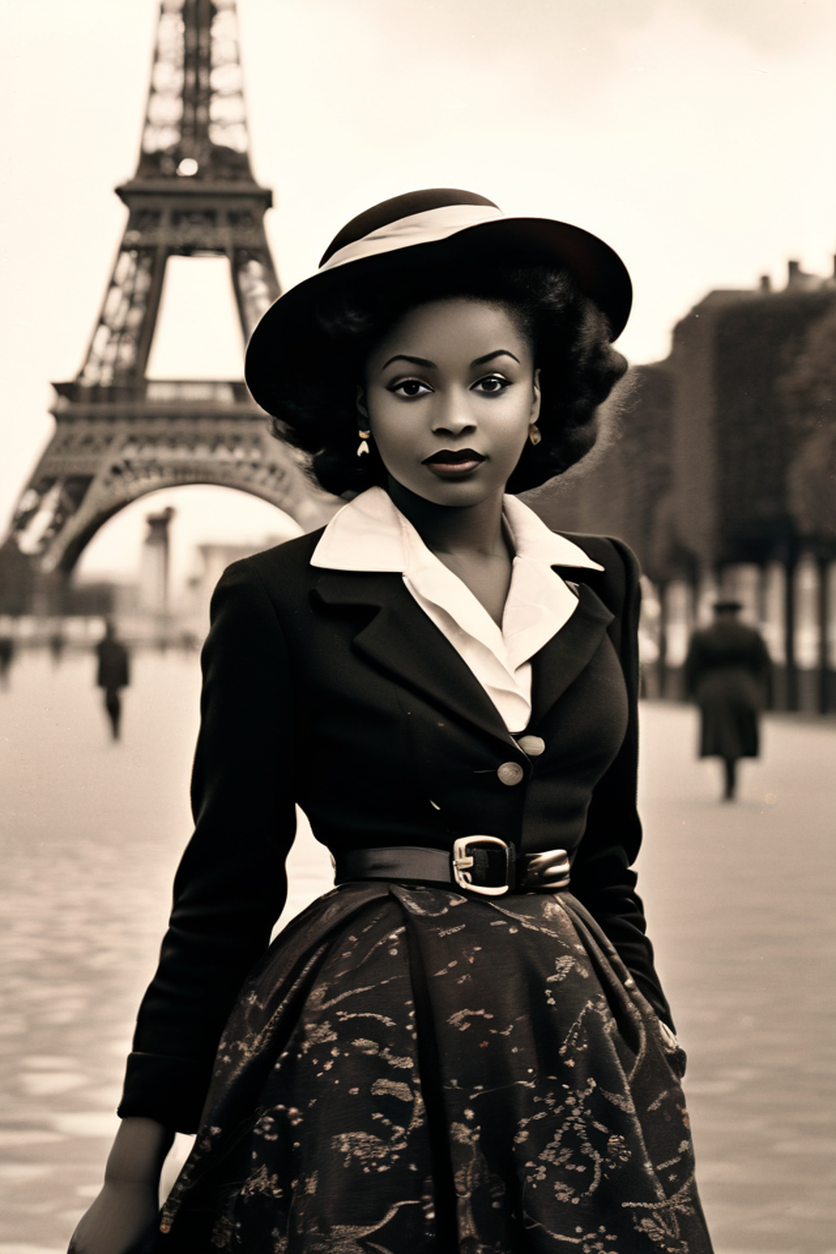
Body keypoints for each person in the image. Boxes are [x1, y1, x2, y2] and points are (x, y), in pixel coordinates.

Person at [70, 189, 713, 1253]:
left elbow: (607, 855)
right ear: (357, 408)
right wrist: (130, 1168)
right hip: (367, 1033)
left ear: (540, 396)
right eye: (410, 385)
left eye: (490, 381)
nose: (453, 416)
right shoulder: (277, 598)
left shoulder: (601, 581)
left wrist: (651, 1030)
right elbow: (225, 887)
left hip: (576, 1032)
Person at [685, 599, 772, 800]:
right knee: (739, 732)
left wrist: (693, 693)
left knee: (723, 734)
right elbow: (763, 665)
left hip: (713, 688)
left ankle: (728, 781)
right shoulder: (750, 633)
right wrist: (757, 690)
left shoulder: (703, 634)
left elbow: (692, 668)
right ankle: (733, 778)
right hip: (743, 686)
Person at [95, 619, 130, 741]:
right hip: (116, 680)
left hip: (109, 679)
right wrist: (126, 681)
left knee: (110, 703)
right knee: (115, 704)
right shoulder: (119, 646)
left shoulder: (104, 645)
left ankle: (114, 729)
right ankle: (115, 729)